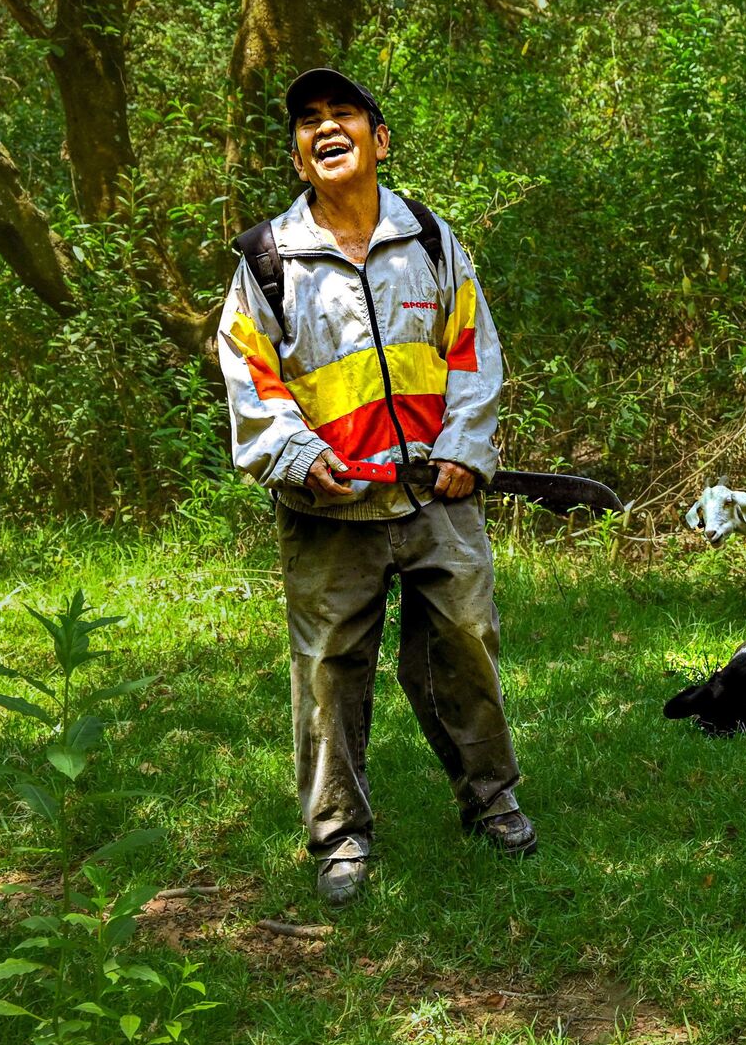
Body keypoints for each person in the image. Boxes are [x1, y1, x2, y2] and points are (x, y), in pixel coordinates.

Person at [216, 67, 536, 906]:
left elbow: (472, 347)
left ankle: (492, 800)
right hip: (328, 510)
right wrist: (294, 454)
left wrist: (465, 447)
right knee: (330, 669)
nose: (326, 128)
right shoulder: (268, 260)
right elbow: (250, 374)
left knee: (465, 646)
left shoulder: (428, 238)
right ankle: (340, 836)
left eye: (344, 114)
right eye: (308, 121)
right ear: (297, 156)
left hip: (438, 497)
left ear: (379, 139)